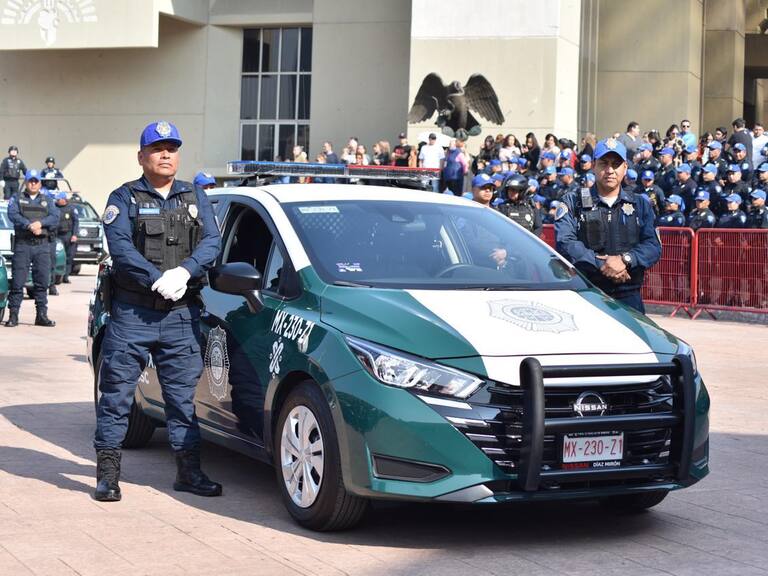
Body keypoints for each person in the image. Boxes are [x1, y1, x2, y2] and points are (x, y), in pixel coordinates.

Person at [93, 121, 222, 502]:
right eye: (157, 148)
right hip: (132, 314)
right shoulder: (124, 198)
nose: (166, 155)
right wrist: (154, 279)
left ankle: (189, 472)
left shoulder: (194, 196)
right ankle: (108, 475)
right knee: (116, 395)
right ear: (141, 157)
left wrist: (185, 271)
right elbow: (121, 249)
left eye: (172, 148)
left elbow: (212, 242)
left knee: (182, 399)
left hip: (180, 315)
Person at [555, 138, 661, 312]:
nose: (610, 170)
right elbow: (566, 243)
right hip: (587, 295)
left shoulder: (640, 204)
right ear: (594, 165)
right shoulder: (574, 201)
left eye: (616, 164)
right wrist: (602, 265)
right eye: (604, 163)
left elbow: (652, 246)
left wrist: (626, 260)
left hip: (629, 297)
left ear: (625, 167)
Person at [5, 170, 58, 327]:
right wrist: (29, 225)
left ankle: (41, 315)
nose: (33, 183)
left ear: (40, 183)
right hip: (23, 245)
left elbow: (55, 217)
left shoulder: (47, 200)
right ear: (26, 182)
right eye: (30, 181)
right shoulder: (17, 198)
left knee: (42, 282)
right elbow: (12, 214)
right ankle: (13, 316)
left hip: (42, 246)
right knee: (17, 282)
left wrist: (40, 224)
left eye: (36, 181)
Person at [54, 191, 78, 282]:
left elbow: (76, 222)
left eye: (58, 199)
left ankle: (66, 276)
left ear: (64, 199)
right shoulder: (55, 207)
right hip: (57, 235)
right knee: (58, 256)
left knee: (69, 256)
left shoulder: (71, 208)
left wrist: (74, 235)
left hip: (68, 235)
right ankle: (57, 276)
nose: (57, 201)